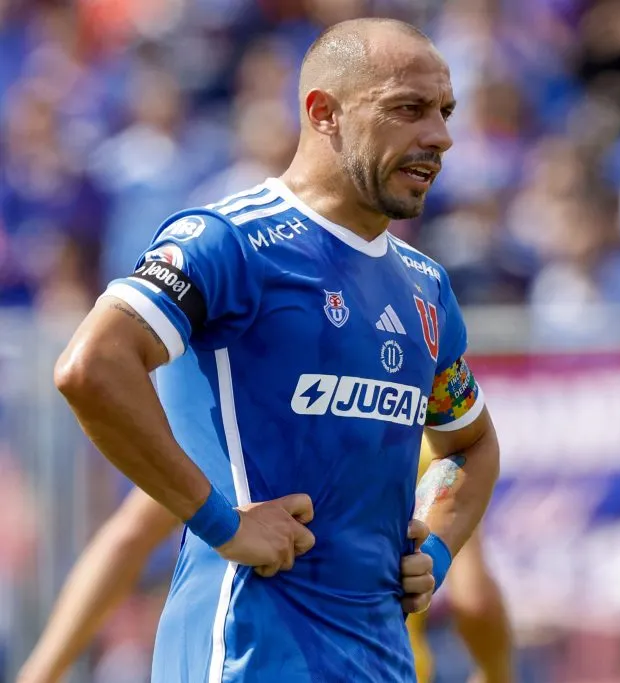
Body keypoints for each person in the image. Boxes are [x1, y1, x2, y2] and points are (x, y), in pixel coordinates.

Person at [50, 17, 501, 683]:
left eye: (443, 111)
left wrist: (434, 550)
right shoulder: (230, 243)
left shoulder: (425, 288)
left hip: (383, 662)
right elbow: (92, 365)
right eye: (408, 109)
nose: (438, 135)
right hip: (245, 653)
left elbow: (471, 444)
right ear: (324, 113)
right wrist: (222, 521)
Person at [16, 443, 514, 683]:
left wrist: (40, 673)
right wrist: (495, 674)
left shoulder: (245, 442)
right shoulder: (418, 446)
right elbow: (472, 599)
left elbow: (126, 539)